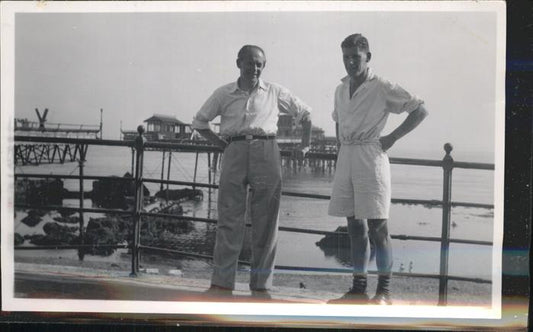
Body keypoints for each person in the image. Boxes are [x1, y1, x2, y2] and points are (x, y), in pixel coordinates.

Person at [192, 45, 312, 299]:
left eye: (259, 64)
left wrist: (305, 144)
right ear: (238, 63)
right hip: (234, 149)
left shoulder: (275, 91)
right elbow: (200, 122)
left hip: (267, 149)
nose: (254, 68)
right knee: (228, 219)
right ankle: (222, 284)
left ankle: (261, 286)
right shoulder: (223, 93)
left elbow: (305, 113)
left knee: (266, 222)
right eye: (250, 63)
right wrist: (222, 145)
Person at [327, 34, 428, 305]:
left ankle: (384, 292)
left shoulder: (381, 85)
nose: (350, 62)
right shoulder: (340, 88)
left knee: (378, 227)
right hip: (346, 154)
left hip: (371, 155)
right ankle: (358, 289)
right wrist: (339, 147)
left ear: (367, 57)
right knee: (353, 226)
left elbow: (419, 109)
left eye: (356, 57)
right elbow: (338, 121)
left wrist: (392, 138)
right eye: (346, 57)